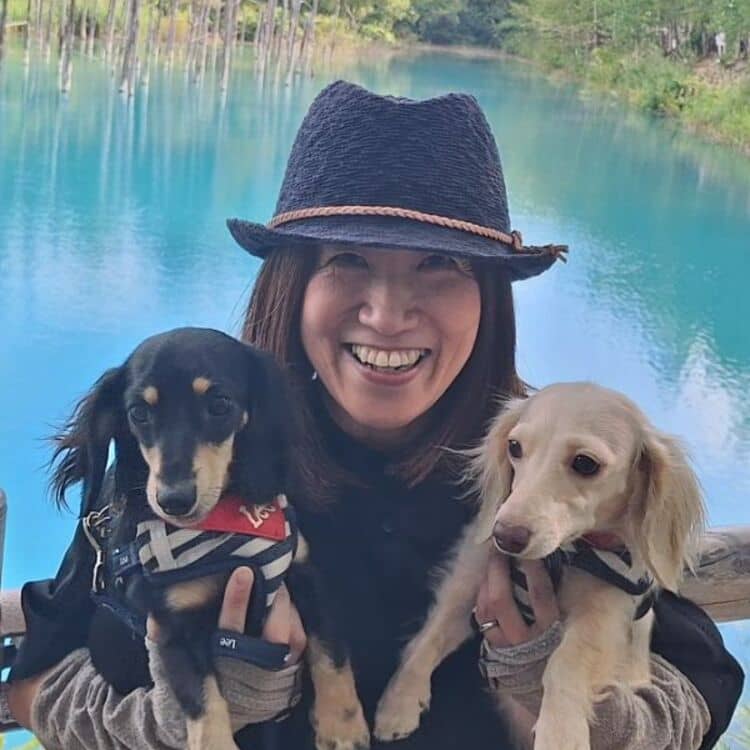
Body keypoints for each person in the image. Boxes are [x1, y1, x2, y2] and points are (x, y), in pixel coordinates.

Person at [5, 81, 743, 750]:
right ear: (292, 287)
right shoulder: (184, 461)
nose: (387, 315)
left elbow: (699, 690)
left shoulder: (545, 468)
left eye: (440, 266)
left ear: (490, 300)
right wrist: (187, 721)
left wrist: (560, 695)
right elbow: (32, 685)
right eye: (347, 261)